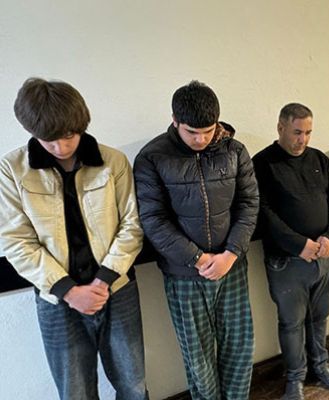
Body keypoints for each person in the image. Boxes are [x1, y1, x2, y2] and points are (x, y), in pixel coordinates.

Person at [0, 78, 148, 399]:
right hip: (56, 300)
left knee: (133, 386)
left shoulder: (112, 161)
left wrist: (103, 281)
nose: (61, 147)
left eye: (68, 136)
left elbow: (132, 225)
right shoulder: (11, 170)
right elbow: (16, 241)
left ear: (81, 124)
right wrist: (68, 291)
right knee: (75, 392)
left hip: (117, 289)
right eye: (49, 140)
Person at [134, 81, 258, 400]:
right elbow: (153, 219)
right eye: (192, 132)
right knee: (197, 357)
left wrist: (231, 253)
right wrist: (199, 259)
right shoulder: (152, 157)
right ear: (175, 120)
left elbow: (249, 204)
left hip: (231, 267)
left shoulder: (235, 151)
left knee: (240, 348)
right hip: (184, 273)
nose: (200, 139)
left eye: (208, 131)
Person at [252, 103, 329, 400]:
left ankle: (321, 367)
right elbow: (263, 213)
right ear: (280, 127)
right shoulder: (263, 163)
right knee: (292, 323)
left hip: (323, 257)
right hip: (287, 261)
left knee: (320, 317)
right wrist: (299, 244)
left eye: (308, 132)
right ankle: (295, 378)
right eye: (296, 132)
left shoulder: (319, 159)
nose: (302, 139)